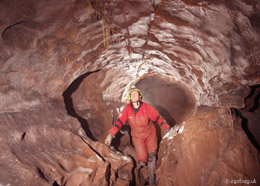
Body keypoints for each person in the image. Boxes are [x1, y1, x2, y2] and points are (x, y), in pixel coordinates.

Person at [104, 87, 171, 185]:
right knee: (142, 160)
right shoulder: (127, 109)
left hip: (149, 133)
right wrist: (111, 134)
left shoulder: (147, 107)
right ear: (130, 98)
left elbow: (157, 117)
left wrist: (167, 128)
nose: (134, 95)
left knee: (152, 155)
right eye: (132, 94)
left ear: (140, 96)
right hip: (137, 136)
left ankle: (152, 179)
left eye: (136, 93)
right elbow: (119, 121)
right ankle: (142, 174)